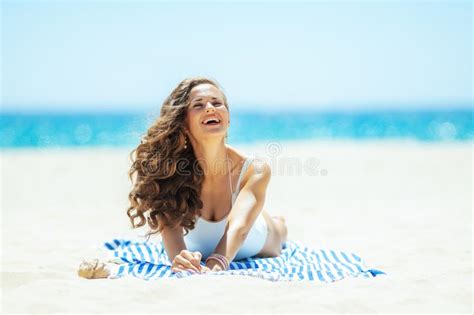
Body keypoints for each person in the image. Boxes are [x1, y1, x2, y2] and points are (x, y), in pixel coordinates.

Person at [78, 76, 288, 278]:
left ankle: (279, 222)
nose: (210, 107)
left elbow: (239, 228)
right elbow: (172, 234)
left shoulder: (254, 169)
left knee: (278, 231)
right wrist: (180, 259)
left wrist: (215, 264)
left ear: (229, 118)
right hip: (209, 239)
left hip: (256, 236)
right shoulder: (168, 172)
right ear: (183, 123)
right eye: (198, 105)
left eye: (217, 102)